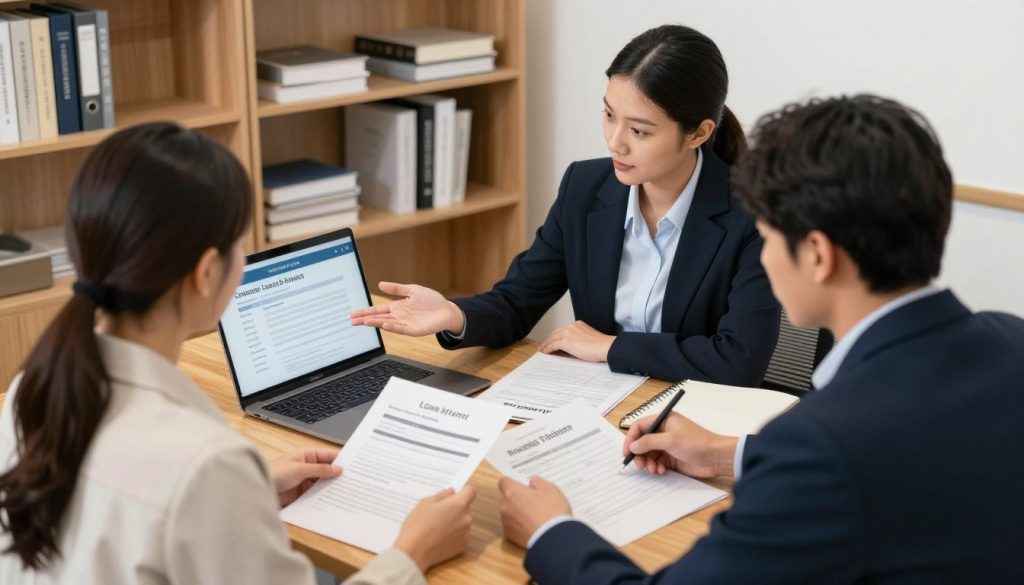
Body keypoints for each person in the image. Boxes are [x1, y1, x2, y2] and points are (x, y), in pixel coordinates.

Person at [496, 95, 1024, 583]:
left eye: (767, 240)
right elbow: (906, 463)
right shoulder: (1011, 341)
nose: (764, 260)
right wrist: (732, 453)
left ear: (817, 255)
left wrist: (551, 533)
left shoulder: (820, 445)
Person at [0, 123, 474, 584]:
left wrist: (242, 498)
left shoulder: (30, 392)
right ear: (208, 273)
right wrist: (412, 553)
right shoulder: (205, 462)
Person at [352, 25, 780, 385]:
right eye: (610, 115)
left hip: (693, 420)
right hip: (597, 404)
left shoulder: (751, 215)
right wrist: (452, 314)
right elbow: (517, 302)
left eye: (641, 131)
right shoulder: (586, 186)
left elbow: (739, 360)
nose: (616, 142)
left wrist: (611, 348)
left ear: (698, 134)